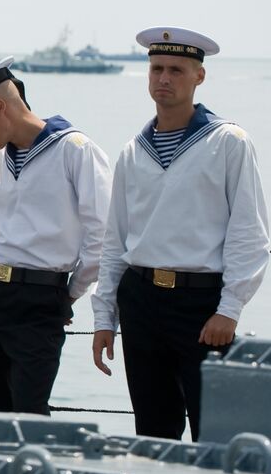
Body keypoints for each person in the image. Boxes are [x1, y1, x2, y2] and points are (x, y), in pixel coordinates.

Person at [92, 27, 269, 440]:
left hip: (202, 303)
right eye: (156, 69)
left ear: (198, 77)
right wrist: (105, 317)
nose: (164, 79)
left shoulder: (228, 142)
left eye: (175, 70)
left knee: (213, 431)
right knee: (153, 431)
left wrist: (230, 308)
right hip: (141, 300)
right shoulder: (132, 151)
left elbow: (249, 231)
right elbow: (115, 241)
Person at [0, 56, 111, 415]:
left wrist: (68, 293)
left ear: (1, 106)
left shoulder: (75, 150)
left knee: (30, 411)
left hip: (39, 296)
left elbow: (102, 235)